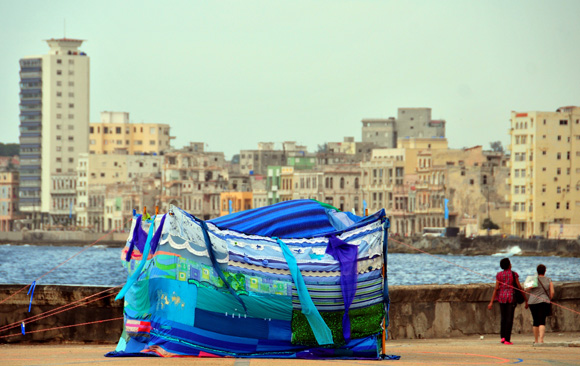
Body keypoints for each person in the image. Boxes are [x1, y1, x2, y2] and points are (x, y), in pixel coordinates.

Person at [487, 257, 527, 345]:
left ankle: (503, 337)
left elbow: (496, 288)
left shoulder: (499, 275)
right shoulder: (514, 274)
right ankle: (507, 340)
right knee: (509, 319)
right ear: (509, 265)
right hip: (511, 298)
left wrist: (491, 302)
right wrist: (526, 299)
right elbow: (519, 287)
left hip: (501, 298)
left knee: (503, 318)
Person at [527, 264, 555, 344]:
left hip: (532, 302)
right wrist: (548, 299)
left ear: (537, 271)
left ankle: (536, 340)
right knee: (542, 321)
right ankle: (541, 340)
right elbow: (552, 292)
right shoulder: (548, 280)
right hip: (544, 301)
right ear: (545, 271)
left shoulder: (534, 280)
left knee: (535, 321)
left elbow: (527, 289)